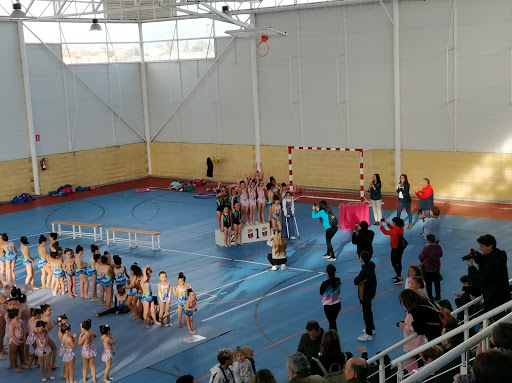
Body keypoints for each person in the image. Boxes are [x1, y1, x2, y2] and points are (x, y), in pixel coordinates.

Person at [466, 234, 510, 313]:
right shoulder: (499, 254)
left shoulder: (491, 264)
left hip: (493, 299)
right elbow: (487, 260)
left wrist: (471, 267)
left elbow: (480, 279)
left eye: (482, 246)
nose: (480, 248)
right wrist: (476, 255)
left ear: (490, 246)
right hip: (503, 294)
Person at [354, 251, 377, 341]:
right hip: (370, 292)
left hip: (365, 294)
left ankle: (368, 333)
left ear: (362, 258)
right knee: (369, 311)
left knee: (366, 313)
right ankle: (371, 327)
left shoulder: (364, 271)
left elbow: (356, 281)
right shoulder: (371, 266)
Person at [379, 217, 405, 284]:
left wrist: (381, 225)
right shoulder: (401, 229)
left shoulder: (394, 231)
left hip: (395, 249)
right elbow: (393, 229)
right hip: (400, 248)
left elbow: (385, 232)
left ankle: (399, 277)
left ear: (395, 223)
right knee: (399, 262)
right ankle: (398, 275)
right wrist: (386, 222)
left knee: (394, 263)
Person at [419, 234, 443, 301]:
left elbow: (420, 257)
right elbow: (441, 254)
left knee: (428, 284)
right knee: (437, 283)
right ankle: (438, 296)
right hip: (436, 268)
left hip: (427, 269)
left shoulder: (426, 249)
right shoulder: (438, 247)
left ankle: (430, 296)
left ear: (428, 240)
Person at [320, 264, 341, 331]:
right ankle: (333, 335)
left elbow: (321, 292)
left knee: (331, 323)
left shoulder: (325, 283)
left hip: (328, 306)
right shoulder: (338, 280)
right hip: (337, 304)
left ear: (327, 273)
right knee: (333, 321)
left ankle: (333, 337)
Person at [78, 319, 96, 383]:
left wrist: (80, 335)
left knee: (85, 366)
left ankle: (84, 378)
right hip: (91, 350)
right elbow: (95, 335)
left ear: (83, 328)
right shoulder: (91, 333)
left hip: (85, 351)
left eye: (81, 327)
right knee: (92, 365)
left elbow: (79, 343)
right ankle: (94, 378)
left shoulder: (84, 336)